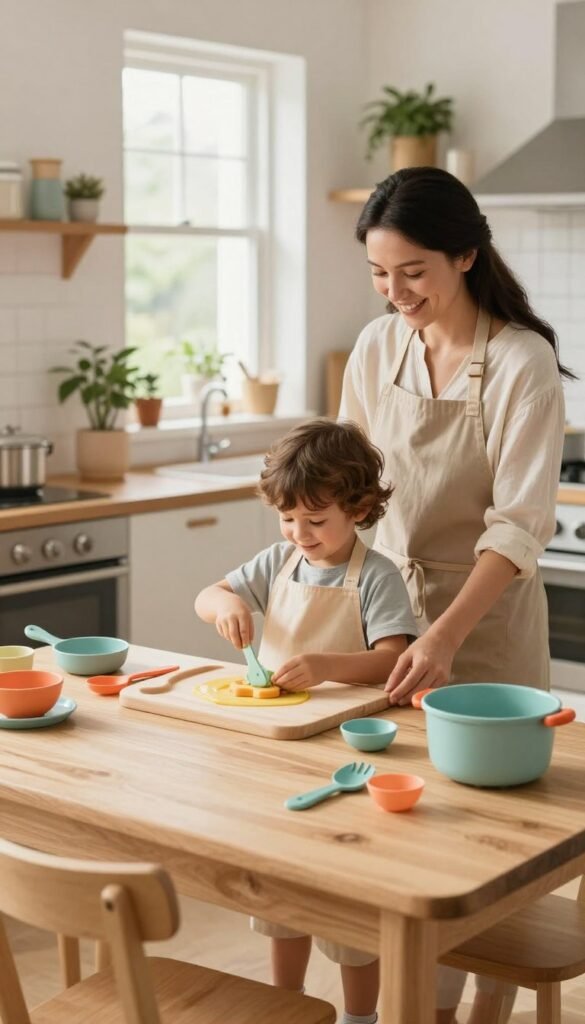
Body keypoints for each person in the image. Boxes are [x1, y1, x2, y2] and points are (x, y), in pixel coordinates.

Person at [339, 166, 569, 1024]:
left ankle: (484, 1015)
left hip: (487, 624)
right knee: (405, 838)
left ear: (465, 255)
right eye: (378, 274)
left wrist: (444, 638)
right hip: (389, 619)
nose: (394, 293)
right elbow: (353, 488)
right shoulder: (376, 347)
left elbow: (515, 527)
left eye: (412, 273)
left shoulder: (520, 360)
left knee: (487, 841)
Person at [195, 417, 418, 1024]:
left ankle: (358, 1016)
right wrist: (230, 604)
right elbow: (206, 595)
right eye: (288, 519)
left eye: (315, 521)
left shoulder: (377, 576)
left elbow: (395, 660)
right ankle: (285, 1004)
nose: (300, 533)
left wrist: (325, 665)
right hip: (279, 755)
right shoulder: (278, 562)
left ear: (360, 508)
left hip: (346, 759)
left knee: (351, 898)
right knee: (280, 889)